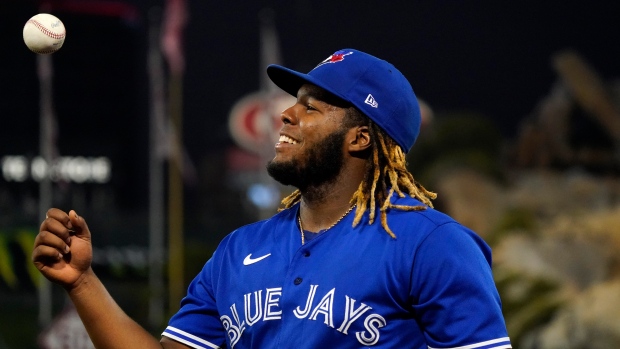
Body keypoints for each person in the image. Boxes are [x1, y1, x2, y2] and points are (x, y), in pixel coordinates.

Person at [33, 48, 512, 349]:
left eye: (312, 107)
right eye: (294, 101)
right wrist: (83, 282)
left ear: (361, 138)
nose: (287, 114)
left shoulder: (430, 244)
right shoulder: (238, 249)